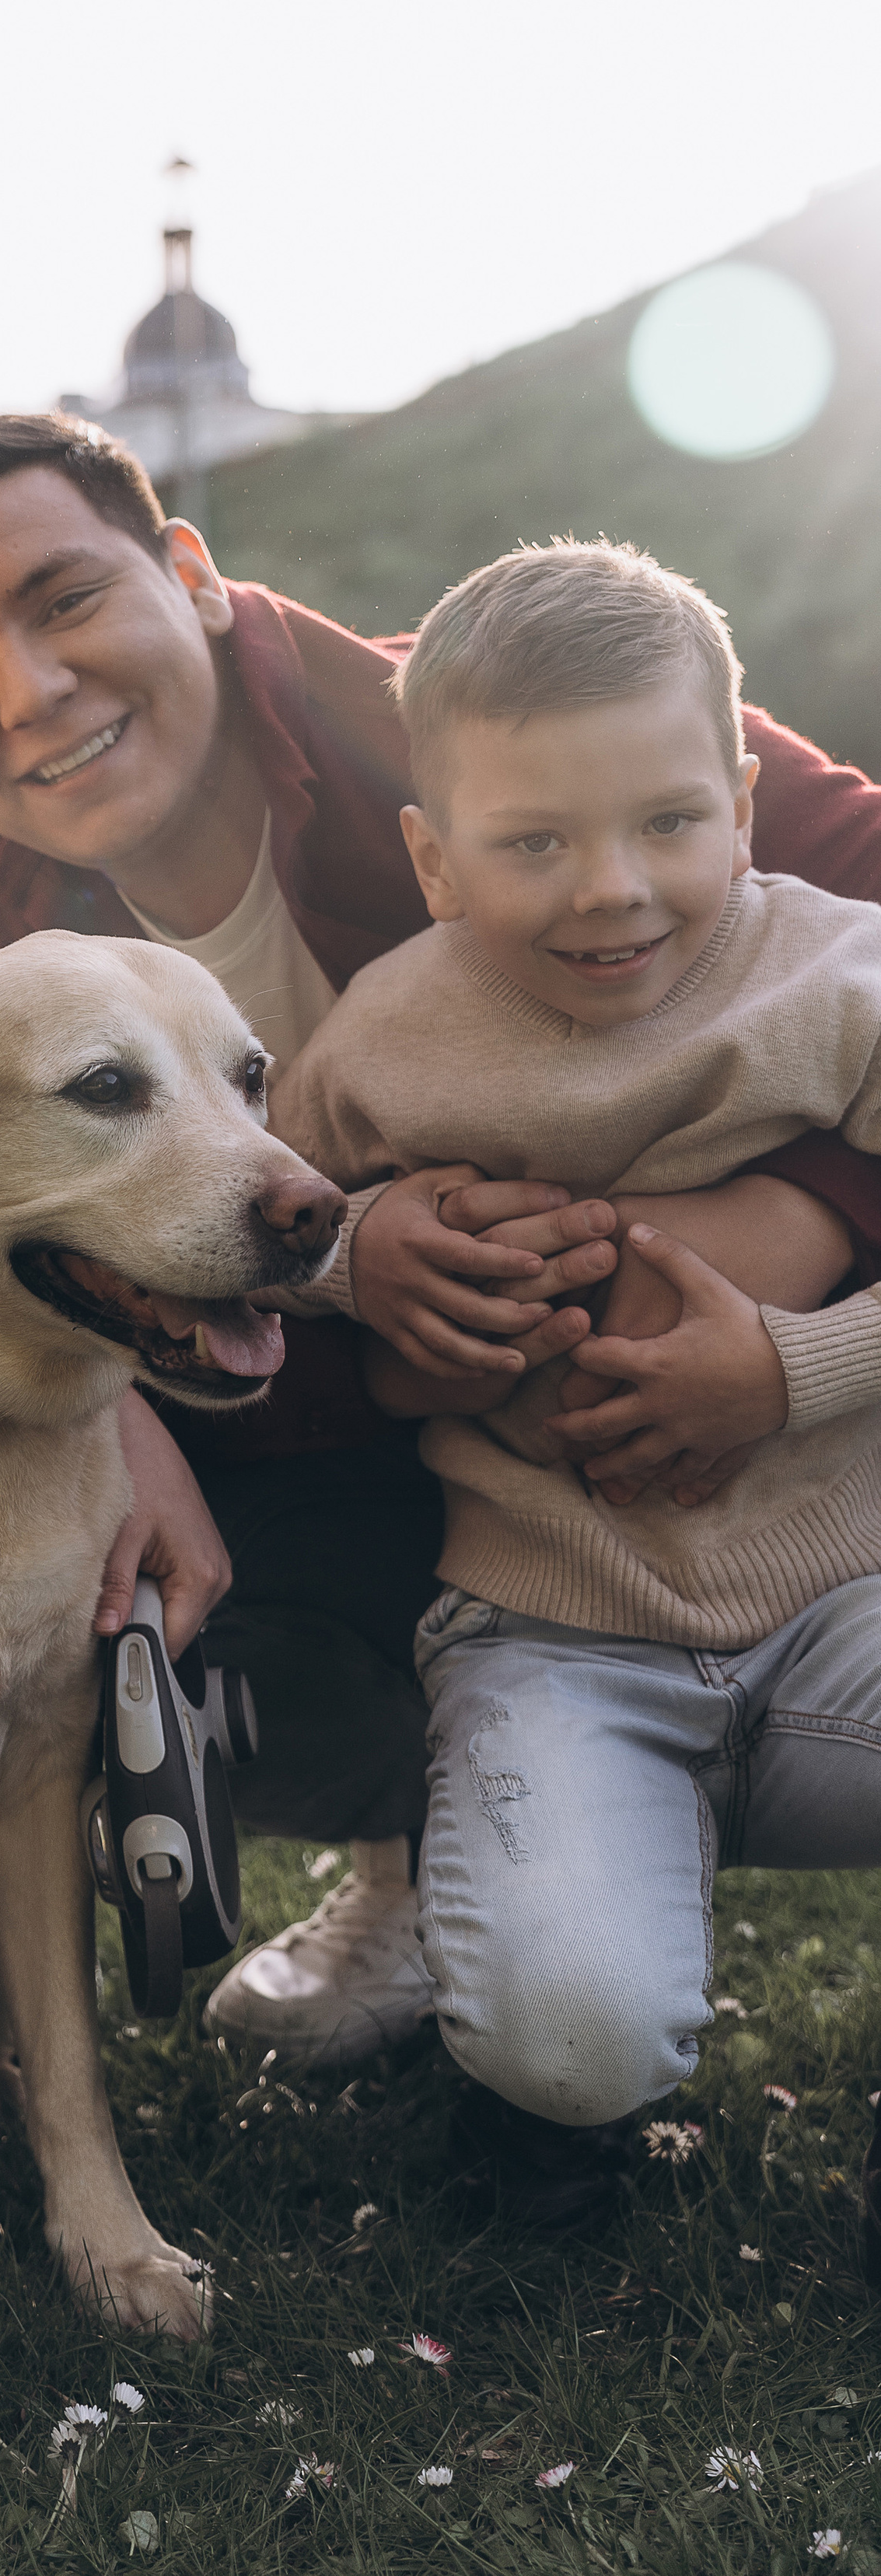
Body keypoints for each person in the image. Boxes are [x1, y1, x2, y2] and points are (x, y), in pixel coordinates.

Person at [0, 411, 881, 2067]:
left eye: (63, 600)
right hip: (307, 1407)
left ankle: (581, 1811)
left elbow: (842, 932)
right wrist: (116, 1419)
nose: (24, 691)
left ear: (186, 572)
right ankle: (437, 1853)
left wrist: (798, 1222)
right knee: (123, 1596)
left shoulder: (501, 724)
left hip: (719, 1434)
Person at [270, 543, 881, 2248]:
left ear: (745, 799)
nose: (608, 889)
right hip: (557, 1630)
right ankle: (550, 2120)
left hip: (845, 1606)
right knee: (568, 2026)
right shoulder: (385, 1035)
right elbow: (272, 1235)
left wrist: (793, 1364)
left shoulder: (842, 979)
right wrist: (377, 1247)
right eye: (531, 842)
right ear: (430, 857)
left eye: (665, 823)